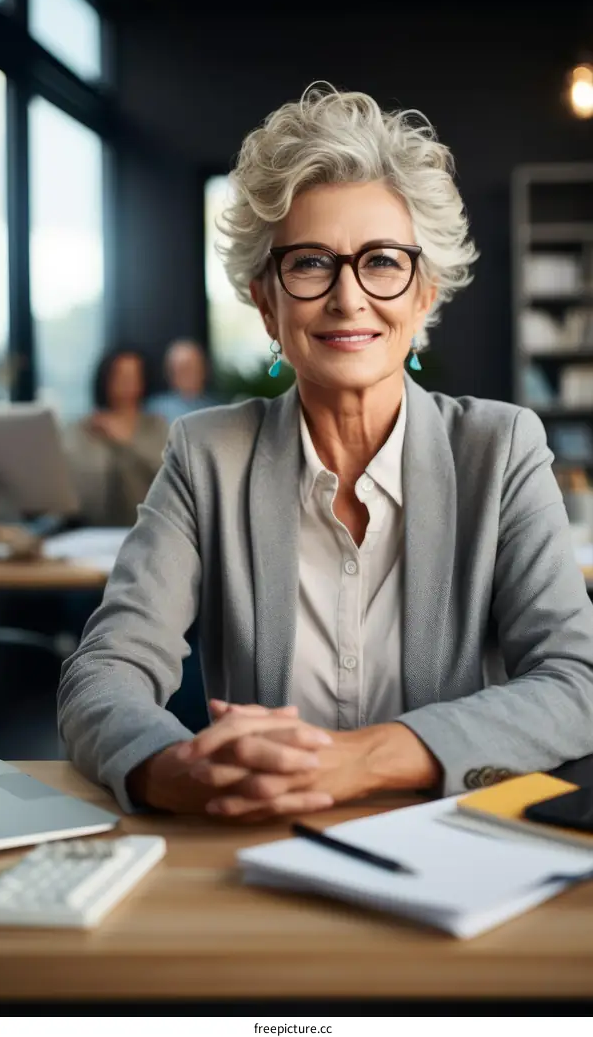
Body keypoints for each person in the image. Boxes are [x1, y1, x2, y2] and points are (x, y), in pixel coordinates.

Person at [59, 84, 593, 824]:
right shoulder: (206, 455)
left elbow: (577, 680)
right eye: (311, 264)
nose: (348, 298)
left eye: (382, 262)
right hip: (258, 843)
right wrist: (171, 767)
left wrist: (363, 758)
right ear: (266, 301)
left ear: (424, 295)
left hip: (462, 854)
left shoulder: (500, 449)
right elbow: (103, 673)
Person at [64, 347, 168, 528]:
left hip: (149, 526)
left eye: (133, 376)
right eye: (119, 375)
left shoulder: (156, 425)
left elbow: (165, 473)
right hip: (93, 527)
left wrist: (126, 442)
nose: (127, 383)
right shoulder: (84, 428)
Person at [146, 339, 218, 425]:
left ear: (204, 370)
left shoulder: (216, 409)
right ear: (170, 373)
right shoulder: (155, 410)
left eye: (192, 367)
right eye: (182, 369)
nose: (188, 374)